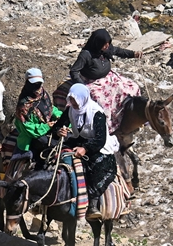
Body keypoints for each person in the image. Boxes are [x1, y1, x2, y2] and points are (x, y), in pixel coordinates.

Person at [50, 83, 118, 218]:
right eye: (72, 100)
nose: (74, 103)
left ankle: (92, 203)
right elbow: (57, 127)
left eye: (76, 101)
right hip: (79, 140)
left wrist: (85, 149)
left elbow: (100, 139)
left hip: (97, 146)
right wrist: (59, 131)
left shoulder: (97, 113)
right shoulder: (71, 110)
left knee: (99, 167)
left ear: (83, 98)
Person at [66, 28, 141, 128]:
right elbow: (74, 71)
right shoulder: (86, 54)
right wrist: (82, 86)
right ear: (97, 43)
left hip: (108, 77)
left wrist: (133, 54)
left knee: (131, 87)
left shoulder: (107, 48)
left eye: (108, 43)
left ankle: (129, 116)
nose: (107, 46)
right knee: (100, 101)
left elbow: (118, 51)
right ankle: (108, 126)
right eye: (104, 44)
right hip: (91, 81)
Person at [14, 67, 62, 165]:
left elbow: (50, 108)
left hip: (49, 126)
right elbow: (27, 128)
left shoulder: (43, 94)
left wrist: (59, 116)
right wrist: (46, 126)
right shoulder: (23, 105)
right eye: (33, 84)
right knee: (52, 145)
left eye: (38, 84)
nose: (37, 87)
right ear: (28, 83)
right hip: (33, 135)